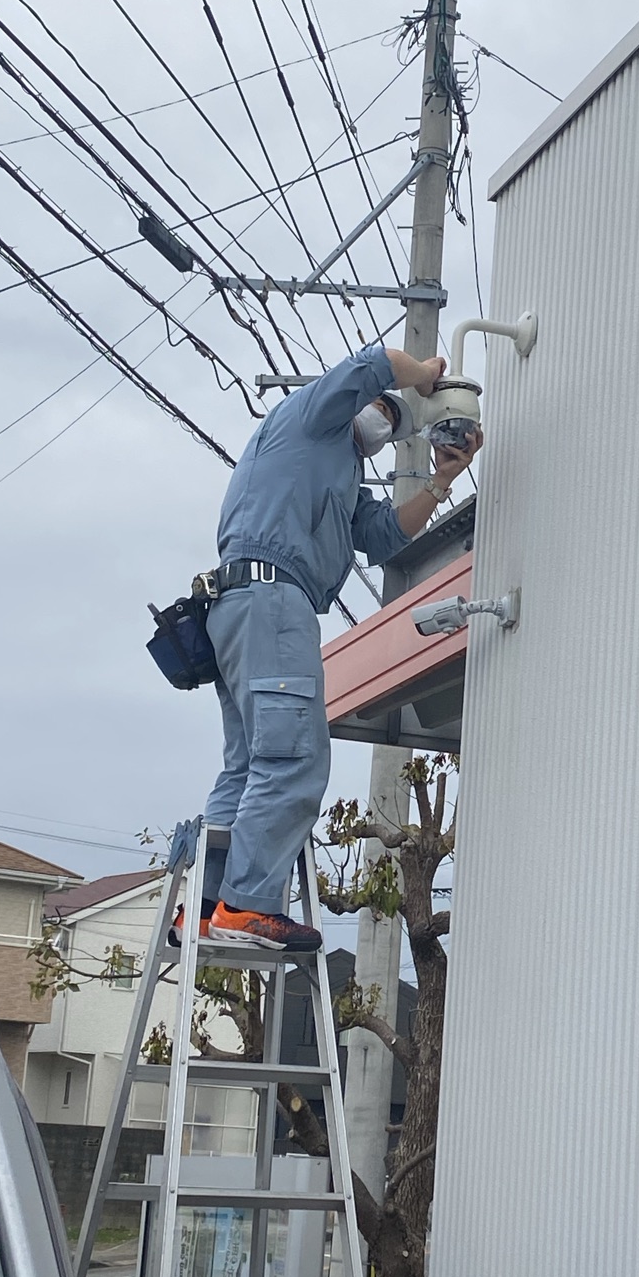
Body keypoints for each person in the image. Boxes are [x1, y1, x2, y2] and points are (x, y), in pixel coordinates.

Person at [198, 344, 480, 951]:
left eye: (392, 423)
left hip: (244, 605)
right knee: (294, 758)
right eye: (380, 410)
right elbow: (369, 365)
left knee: (250, 764)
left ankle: (207, 904)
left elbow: (381, 536)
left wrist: (440, 479)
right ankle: (246, 906)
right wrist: (426, 379)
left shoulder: (346, 468)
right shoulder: (308, 417)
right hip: (273, 597)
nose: (381, 422)